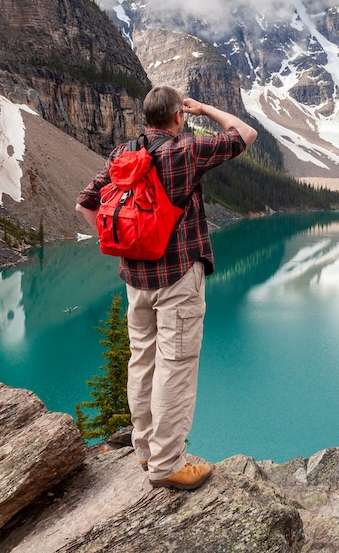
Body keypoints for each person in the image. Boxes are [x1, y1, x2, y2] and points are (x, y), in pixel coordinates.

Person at [76, 86, 257, 490]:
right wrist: (206, 109)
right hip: (178, 279)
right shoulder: (184, 151)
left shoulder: (123, 153)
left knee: (142, 362)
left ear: (146, 117)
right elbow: (245, 134)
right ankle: (167, 465)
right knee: (175, 367)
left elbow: (86, 204)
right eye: (183, 115)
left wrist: (125, 245)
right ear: (178, 117)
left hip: (135, 280)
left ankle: (145, 453)